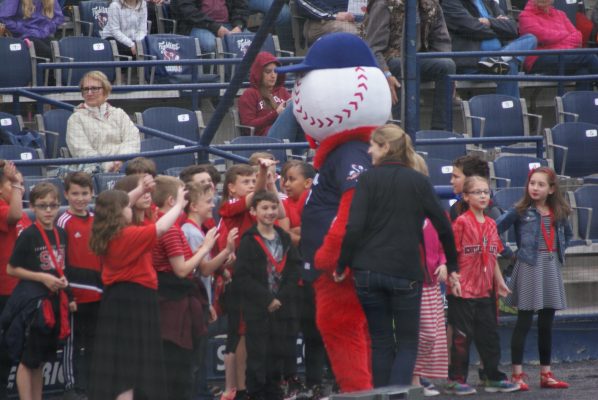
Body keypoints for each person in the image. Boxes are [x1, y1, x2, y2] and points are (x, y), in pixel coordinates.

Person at [337, 124, 459, 387]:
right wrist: (453, 264)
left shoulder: (366, 180)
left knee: (380, 342)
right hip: (406, 272)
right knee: (407, 343)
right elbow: (443, 226)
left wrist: (341, 265)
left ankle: (383, 395)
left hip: (368, 271)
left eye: (373, 145)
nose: (369, 150)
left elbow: (354, 227)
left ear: (386, 147)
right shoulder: (418, 181)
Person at [87, 176, 185, 400]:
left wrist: (140, 190)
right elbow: (161, 228)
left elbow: (117, 205)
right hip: (134, 301)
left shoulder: (105, 231)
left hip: (117, 299)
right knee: (130, 367)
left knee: (122, 364)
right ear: (120, 212)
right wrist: (179, 204)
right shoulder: (127, 235)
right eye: (127, 207)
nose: (130, 208)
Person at [496, 167, 572, 391]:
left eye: (541, 184)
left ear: (551, 189)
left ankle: (546, 374)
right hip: (529, 267)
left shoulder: (558, 212)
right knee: (524, 321)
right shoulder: (520, 211)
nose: (535, 188)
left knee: (546, 323)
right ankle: (517, 375)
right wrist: (509, 254)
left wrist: (558, 253)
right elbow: (493, 229)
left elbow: (567, 234)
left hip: (550, 267)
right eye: (532, 183)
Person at [446, 176, 518, 395]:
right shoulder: (461, 222)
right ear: (466, 197)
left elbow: (492, 256)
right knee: (461, 337)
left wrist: (499, 281)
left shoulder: (490, 224)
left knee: (489, 335)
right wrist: (453, 278)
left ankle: (492, 376)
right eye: (477, 192)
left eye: (486, 192)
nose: (483, 196)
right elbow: (450, 254)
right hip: (463, 290)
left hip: (486, 290)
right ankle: (456, 379)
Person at [1, 182, 73, 400]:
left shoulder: (61, 233)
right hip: (33, 304)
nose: (48, 210)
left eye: (53, 205)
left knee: (39, 360)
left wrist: (66, 289)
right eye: (42, 206)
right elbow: (11, 269)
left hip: (53, 301)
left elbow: (62, 266)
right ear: (32, 207)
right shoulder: (29, 235)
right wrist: (42, 277)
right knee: (27, 360)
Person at [151, 176, 218, 400]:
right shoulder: (169, 229)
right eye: (183, 196)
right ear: (172, 200)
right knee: (178, 369)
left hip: (175, 299)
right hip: (173, 303)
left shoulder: (165, 225)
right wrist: (205, 248)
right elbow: (181, 270)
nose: (186, 201)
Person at [234, 190, 301, 400]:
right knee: (258, 358)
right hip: (258, 310)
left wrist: (281, 298)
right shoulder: (248, 241)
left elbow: (294, 270)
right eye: (264, 208)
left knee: (278, 355)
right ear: (253, 211)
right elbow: (242, 277)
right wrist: (267, 299)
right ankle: (256, 394)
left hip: (282, 308)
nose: (270, 212)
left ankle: (275, 392)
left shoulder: (284, 237)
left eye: (273, 207)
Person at [181, 182, 238, 400]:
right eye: (207, 202)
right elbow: (204, 269)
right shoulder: (192, 232)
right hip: (194, 301)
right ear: (193, 206)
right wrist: (226, 251)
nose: (212, 205)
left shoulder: (194, 230)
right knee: (197, 356)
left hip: (200, 300)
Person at [364, 0, 456, 130]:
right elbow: (373, 48)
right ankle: (404, 130)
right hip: (390, 61)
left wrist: (451, 78)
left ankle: (441, 131)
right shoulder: (383, 4)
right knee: (400, 65)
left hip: (418, 59)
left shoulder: (432, 5)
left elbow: (442, 42)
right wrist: (385, 73)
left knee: (447, 65)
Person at [58, 172, 102, 400]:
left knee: (95, 344)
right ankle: (72, 387)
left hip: (97, 293)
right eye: (75, 193)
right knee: (73, 344)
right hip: (74, 295)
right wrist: (67, 294)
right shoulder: (63, 221)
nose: (80, 198)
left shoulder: (97, 219)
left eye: (85, 193)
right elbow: (59, 261)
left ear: (92, 193)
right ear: (66, 195)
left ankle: (93, 386)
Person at [441, 0, 537, 98]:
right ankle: (499, 60)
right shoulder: (451, 3)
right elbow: (474, 28)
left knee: (530, 39)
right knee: (509, 65)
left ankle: (497, 59)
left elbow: (513, 28)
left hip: (495, 62)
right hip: (474, 63)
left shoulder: (489, 2)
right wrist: (499, 25)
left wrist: (489, 22)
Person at [410, 154, 448, 397]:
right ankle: (413, 378)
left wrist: (444, 263)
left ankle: (419, 376)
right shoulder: (398, 212)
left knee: (433, 334)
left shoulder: (435, 210)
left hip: (432, 282)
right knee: (423, 333)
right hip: (412, 282)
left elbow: (444, 242)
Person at [66, 71, 141, 174]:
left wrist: (119, 161)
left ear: (105, 91)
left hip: (123, 166)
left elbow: (132, 140)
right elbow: (82, 151)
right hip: (94, 172)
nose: (89, 93)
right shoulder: (75, 119)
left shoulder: (119, 114)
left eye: (94, 88)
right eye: (86, 89)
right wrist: (107, 166)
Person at [0, 161, 31, 400]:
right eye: (13, 185)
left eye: (21, 184)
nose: (20, 188)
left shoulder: (20, 210)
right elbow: (14, 215)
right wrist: (15, 183)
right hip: (4, 290)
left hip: (21, 289)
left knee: (17, 347)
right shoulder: (4, 207)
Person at [518, 0, 598, 91]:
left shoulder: (561, 14)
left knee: (584, 71)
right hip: (538, 59)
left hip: (565, 57)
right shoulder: (525, 16)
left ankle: (584, 100)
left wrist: (559, 41)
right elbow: (543, 36)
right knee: (588, 56)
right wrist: (566, 36)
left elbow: (578, 37)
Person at [238, 52, 303, 143]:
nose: (273, 76)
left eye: (275, 71)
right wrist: (276, 114)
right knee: (293, 106)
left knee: (301, 105)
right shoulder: (249, 94)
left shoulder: (282, 91)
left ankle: (303, 150)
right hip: (264, 139)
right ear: (259, 73)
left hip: (287, 136)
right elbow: (248, 125)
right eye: (268, 72)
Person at [170, 0, 249, 56]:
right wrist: (215, 27)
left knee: (250, 41)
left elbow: (241, 7)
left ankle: (243, 75)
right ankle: (214, 75)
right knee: (210, 44)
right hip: (198, 25)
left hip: (230, 23)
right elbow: (187, 10)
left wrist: (239, 25)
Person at [0, 0, 65, 59]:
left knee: (61, 50)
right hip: (24, 37)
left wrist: (47, 29)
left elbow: (59, 17)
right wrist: (23, 29)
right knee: (51, 53)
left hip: (43, 34)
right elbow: (3, 17)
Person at [295, 0, 360, 47]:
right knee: (353, 33)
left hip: (354, 17)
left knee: (363, 31)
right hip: (320, 21)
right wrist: (334, 15)